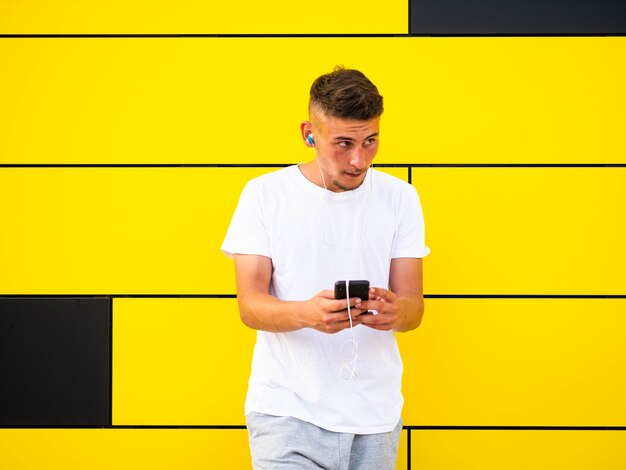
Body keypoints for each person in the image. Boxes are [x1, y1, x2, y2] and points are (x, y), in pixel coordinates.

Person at [221, 66, 429, 469]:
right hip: (286, 411)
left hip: (375, 414)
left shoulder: (401, 198)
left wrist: (393, 311)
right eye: (344, 143)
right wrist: (306, 314)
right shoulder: (264, 195)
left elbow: (414, 309)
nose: (359, 159)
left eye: (371, 141)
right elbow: (249, 305)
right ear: (308, 133)